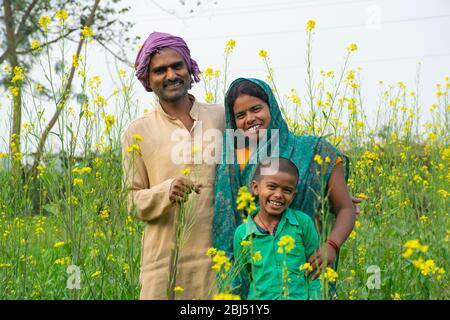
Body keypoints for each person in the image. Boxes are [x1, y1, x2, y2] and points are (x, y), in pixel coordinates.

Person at [213, 78, 356, 297]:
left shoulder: (314, 150)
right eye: (240, 115)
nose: (250, 119)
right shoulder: (228, 160)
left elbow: (345, 208)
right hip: (255, 280)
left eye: (256, 109)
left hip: (306, 273)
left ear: (273, 108)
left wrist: (332, 246)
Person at [123, 31, 224, 299]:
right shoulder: (137, 131)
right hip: (164, 262)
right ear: (148, 79)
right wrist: (164, 191)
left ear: (189, 68)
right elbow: (131, 200)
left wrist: (329, 187)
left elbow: (260, 169)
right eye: (159, 70)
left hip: (219, 259)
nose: (170, 75)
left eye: (177, 66)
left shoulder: (221, 117)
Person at [233, 157, 321, 300]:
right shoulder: (242, 234)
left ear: (294, 195)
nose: (278, 195)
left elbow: (315, 270)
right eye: (272, 187)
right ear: (256, 188)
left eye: (287, 190)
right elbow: (245, 275)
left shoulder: (303, 223)